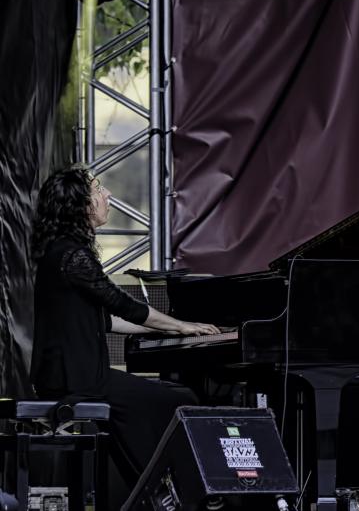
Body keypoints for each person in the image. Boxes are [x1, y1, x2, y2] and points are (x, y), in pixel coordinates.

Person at [30, 167, 219, 485]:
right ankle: (165, 488)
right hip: (78, 380)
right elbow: (124, 306)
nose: (108, 195)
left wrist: (169, 329)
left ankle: (149, 485)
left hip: (72, 376)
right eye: (98, 189)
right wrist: (182, 326)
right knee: (178, 399)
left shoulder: (61, 252)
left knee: (167, 396)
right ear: (80, 205)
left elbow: (108, 320)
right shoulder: (73, 256)